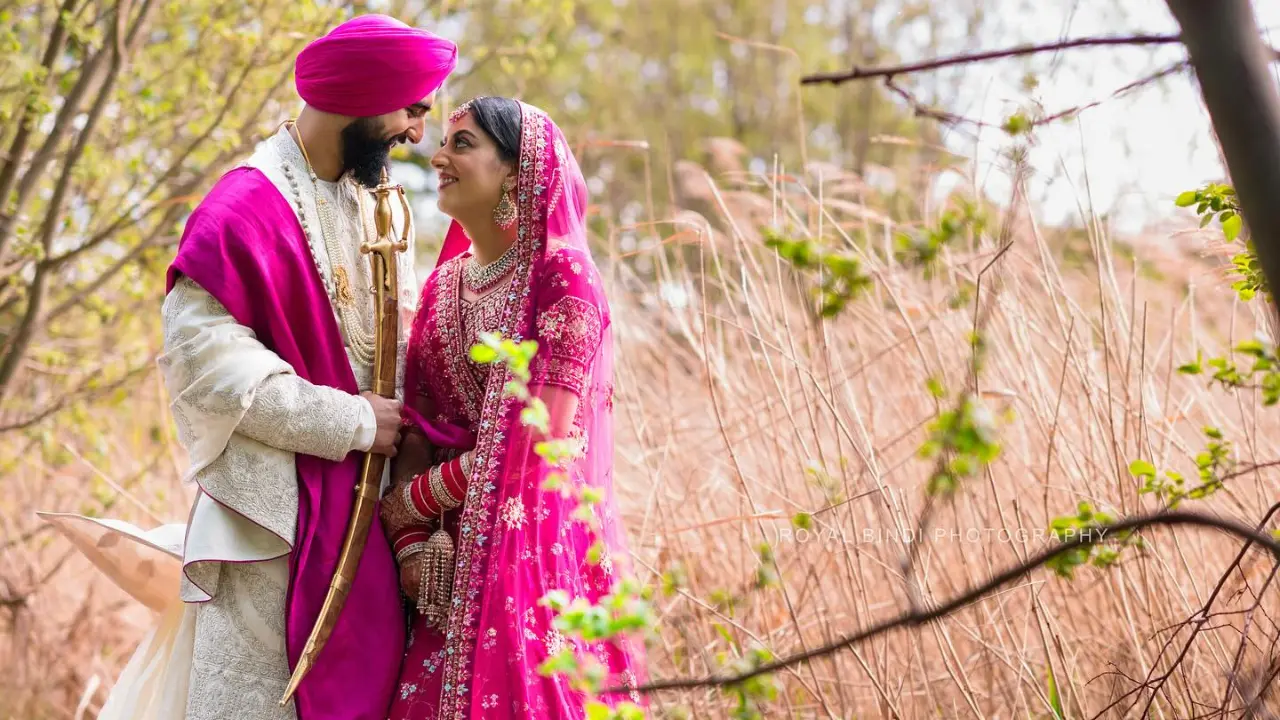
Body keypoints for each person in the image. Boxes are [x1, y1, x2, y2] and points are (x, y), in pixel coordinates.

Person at [41, 14, 458, 720]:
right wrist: (353, 421)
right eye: (412, 108)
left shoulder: (375, 205)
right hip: (270, 530)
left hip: (369, 528)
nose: (418, 132)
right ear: (363, 96)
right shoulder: (243, 208)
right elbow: (209, 371)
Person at [378, 97, 648, 719]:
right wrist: (413, 542)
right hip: (442, 568)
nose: (438, 156)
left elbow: (543, 435)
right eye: (444, 142)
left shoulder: (563, 275)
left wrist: (415, 501)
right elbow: (417, 425)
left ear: (516, 172)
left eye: (463, 144)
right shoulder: (442, 287)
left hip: (528, 553)